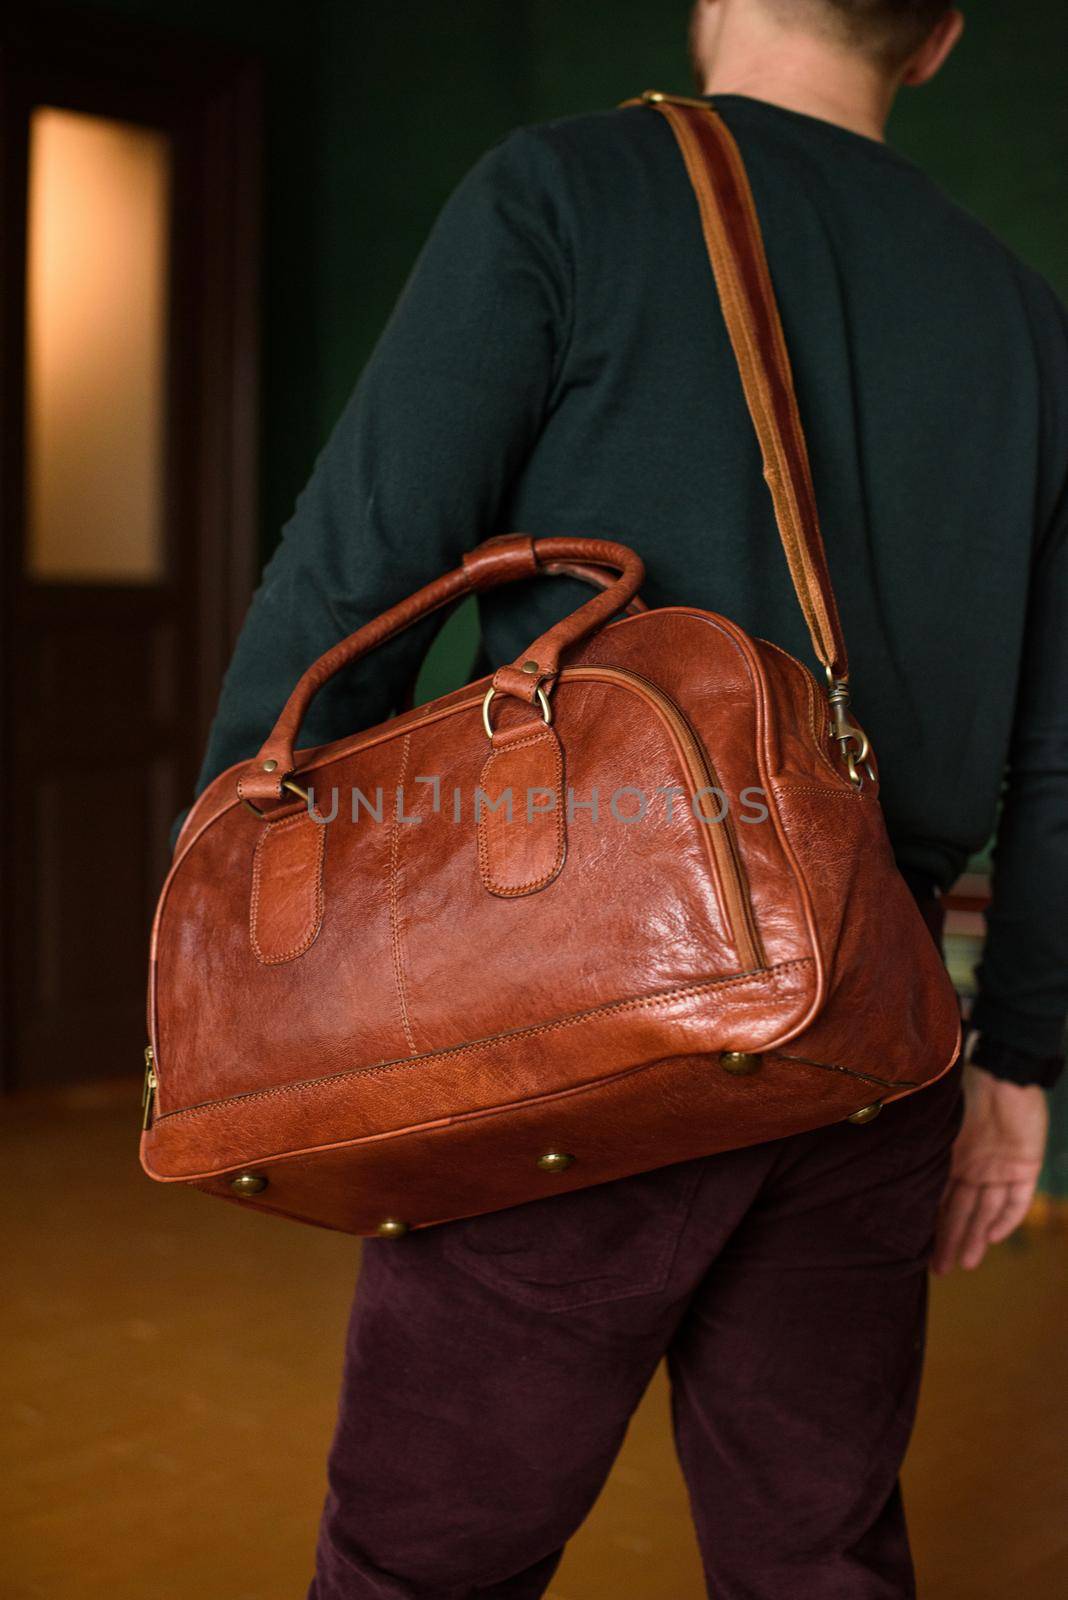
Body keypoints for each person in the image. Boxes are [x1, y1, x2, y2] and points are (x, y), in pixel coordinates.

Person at [188, 2, 1066, 1594]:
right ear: (935, 38)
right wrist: (1017, 1059)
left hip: (570, 1020)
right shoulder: (1029, 324)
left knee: (421, 1563)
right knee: (819, 1559)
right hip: (876, 1036)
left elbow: (351, 574)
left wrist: (248, 930)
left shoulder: (570, 193)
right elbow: (1064, 751)